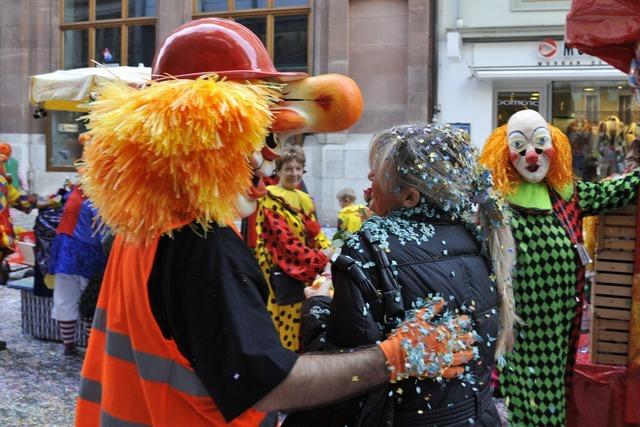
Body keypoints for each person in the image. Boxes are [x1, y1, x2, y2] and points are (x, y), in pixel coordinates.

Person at [75, 18, 477, 427]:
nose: (273, 158)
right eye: (261, 137)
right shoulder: (205, 245)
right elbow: (271, 384)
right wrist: (393, 357)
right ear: (202, 137)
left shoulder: (145, 223)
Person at [284, 124, 516, 426]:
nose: (369, 178)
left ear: (408, 197)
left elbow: (346, 378)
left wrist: (317, 306)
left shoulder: (370, 247)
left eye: (377, 172)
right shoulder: (478, 238)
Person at [480, 109, 640, 426]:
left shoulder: (569, 194)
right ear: (504, 151)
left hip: (560, 322)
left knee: (553, 390)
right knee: (523, 396)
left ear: (557, 146)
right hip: (518, 324)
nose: (531, 155)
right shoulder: (495, 202)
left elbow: (617, 191)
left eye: (541, 144)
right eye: (520, 146)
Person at [254, 144, 333, 351]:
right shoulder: (269, 198)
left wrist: (330, 251)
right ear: (278, 170)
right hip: (281, 271)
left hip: (305, 270)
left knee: (304, 319)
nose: (294, 173)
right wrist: (320, 258)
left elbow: (316, 234)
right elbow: (285, 244)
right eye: (288, 168)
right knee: (284, 324)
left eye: (298, 168)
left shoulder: (305, 199)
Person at [48, 184, 109, 356]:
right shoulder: (98, 198)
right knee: (91, 299)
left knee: (65, 297)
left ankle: (69, 345)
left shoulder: (74, 192)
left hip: (64, 251)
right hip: (88, 254)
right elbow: (103, 235)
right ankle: (92, 348)